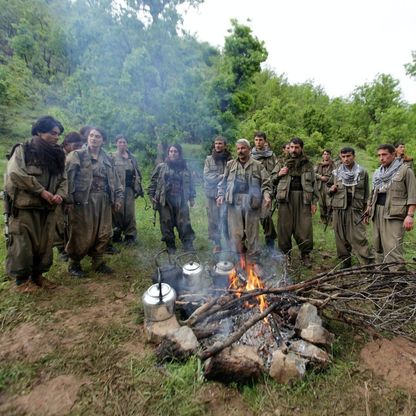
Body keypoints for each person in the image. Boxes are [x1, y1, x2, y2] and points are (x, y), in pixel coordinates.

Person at [5, 115, 67, 292]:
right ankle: (21, 282)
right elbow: (16, 174)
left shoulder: (58, 154)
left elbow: (64, 179)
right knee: (23, 244)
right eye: (53, 133)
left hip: (48, 208)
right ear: (40, 131)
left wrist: (60, 195)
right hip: (25, 207)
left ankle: (38, 276)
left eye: (58, 134)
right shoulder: (23, 150)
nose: (57, 137)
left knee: (44, 244)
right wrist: (41, 191)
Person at [65, 127, 123, 277]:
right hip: (84, 200)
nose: (93, 138)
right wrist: (68, 201)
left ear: (103, 140)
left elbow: (115, 180)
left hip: (104, 199)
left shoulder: (108, 158)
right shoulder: (76, 155)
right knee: (82, 232)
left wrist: (118, 197)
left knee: (104, 232)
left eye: (97, 136)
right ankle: (74, 263)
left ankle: (98, 261)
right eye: (91, 135)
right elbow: (68, 179)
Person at [217, 139, 271, 261]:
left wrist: (267, 196)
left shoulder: (258, 165)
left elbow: (266, 184)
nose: (240, 151)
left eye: (243, 148)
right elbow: (223, 183)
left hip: (252, 202)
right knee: (236, 233)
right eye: (238, 149)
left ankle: (254, 259)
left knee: (252, 233)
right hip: (234, 202)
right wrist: (220, 195)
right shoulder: (230, 165)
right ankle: (239, 258)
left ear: (248, 149)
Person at [366, 144, 416, 266]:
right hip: (377, 212)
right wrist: (369, 208)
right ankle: (382, 274)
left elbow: (412, 194)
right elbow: (373, 193)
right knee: (378, 246)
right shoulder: (378, 172)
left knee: (393, 247)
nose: (381, 158)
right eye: (379, 155)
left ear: (393, 155)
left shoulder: (405, 170)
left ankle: (397, 278)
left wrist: (410, 215)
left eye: (384, 154)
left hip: (395, 214)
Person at [271, 137, 317, 268]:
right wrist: (279, 174)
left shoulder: (308, 164)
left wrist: (314, 202)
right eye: (291, 147)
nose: (294, 150)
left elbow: (314, 183)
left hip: (303, 198)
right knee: (284, 227)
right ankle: (286, 255)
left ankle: (305, 254)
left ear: (301, 148)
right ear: (288, 148)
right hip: (285, 199)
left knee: (304, 227)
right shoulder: (281, 162)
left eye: (296, 147)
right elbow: (271, 180)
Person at [327, 147, 374, 268]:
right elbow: (328, 188)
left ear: (354, 156)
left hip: (355, 209)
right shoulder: (336, 172)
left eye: (348, 156)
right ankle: (345, 263)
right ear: (340, 157)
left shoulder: (362, 172)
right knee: (340, 237)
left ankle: (368, 265)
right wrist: (331, 189)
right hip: (338, 209)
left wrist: (366, 211)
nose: (346, 159)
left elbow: (366, 194)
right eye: (343, 157)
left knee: (359, 237)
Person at [147, 144, 196, 253]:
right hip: (165, 200)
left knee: (184, 222)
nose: (173, 153)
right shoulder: (161, 167)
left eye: (175, 151)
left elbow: (191, 184)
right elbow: (153, 183)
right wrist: (152, 196)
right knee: (166, 222)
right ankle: (170, 245)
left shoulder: (186, 167)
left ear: (179, 153)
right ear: (168, 153)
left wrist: (192, 197)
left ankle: (188, 244)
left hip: (181, 199)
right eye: (171, 151)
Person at [55, 132, 84, 261]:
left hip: (67, 192)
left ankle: (67, 247)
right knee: (60, 222)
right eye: (76, 145)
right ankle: (62, 249)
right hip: (56, 192)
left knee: (68, 221)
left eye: (80, 145)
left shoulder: (75, 156)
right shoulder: (58, 155)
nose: (78, 148)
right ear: (67, 144)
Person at [110, 135, 143, 245]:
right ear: (116, 143)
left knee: (129, 213)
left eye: (124, 142)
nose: (122, 144)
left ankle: (130, 236)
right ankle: (116, 233)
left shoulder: (132, 157)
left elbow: (137, 172)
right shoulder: (111, 157)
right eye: (120, 142)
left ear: (127, 144)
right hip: (117, 189)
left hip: (129, 189)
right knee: (117, 211)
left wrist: (138, 187)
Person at [203, 136, 232, 252]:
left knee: (227, 219)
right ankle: (217, 243)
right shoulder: (209, 159)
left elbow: (232, 176)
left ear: (225, 145)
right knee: (213, 219)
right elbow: (207, 176)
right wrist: (222, 177)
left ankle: (229, 242)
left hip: (226, 194)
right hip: (212, 194)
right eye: (216, 143)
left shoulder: (230, 160)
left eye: (220, 143)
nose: (218, 146)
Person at [251, 131, 278, 249]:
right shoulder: (249, 155)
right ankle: (250, 243)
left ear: (265, 141)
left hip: (267, 189)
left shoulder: (271, 155)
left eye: (260, 140)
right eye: (256, 140)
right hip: (252, 191)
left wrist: (270, 183)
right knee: (249, 217)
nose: (258, 142)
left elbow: (276, 171)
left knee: (266, 216)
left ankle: (270, 241)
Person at [315, 149, 336, 224]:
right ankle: (323, 219)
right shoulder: (319, 164)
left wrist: (328, 178)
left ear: (330, 155)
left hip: (329, 186)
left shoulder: (333, 164)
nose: (326, 155)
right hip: (320, 186)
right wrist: (320, 177)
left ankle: (330, 220)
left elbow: (336, 174)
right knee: (321, 203)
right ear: (322, 156)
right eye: (324, 154)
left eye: (327, 154)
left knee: (329, 203)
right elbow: (313, 173)